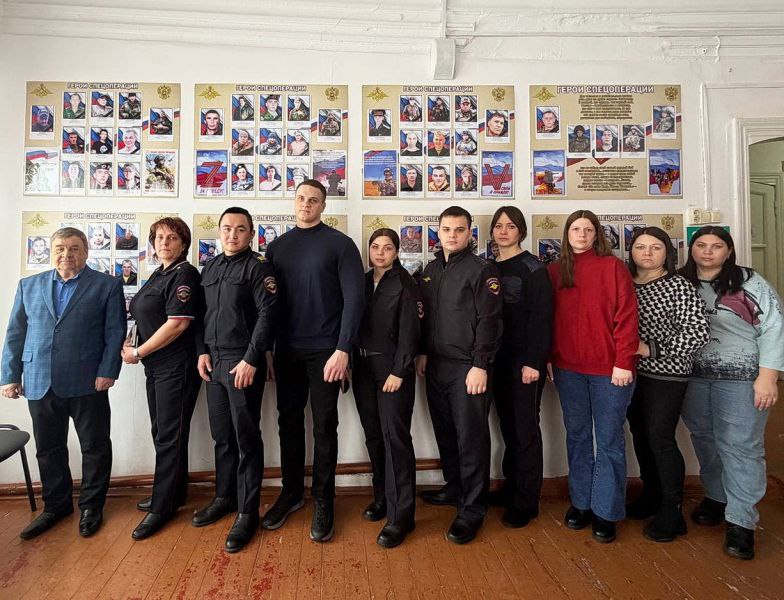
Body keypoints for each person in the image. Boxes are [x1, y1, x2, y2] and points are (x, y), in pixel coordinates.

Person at [1, 227, 126, 540]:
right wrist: (10, 376)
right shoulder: (29, 285)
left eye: (74, 248)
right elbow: (15, 333)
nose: (66, 254)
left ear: (85, 251)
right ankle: (56, 506)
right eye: (60, 248)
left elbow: (114, 333)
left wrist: (108, 371)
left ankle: (91, 507)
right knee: (48, 448)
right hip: (39, 379)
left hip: (89, 380)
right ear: (51, 251)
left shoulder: (107, 285)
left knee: (95, 446)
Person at [262, 179, 364, 543]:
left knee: (324, 426)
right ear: (294, 202)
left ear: (323, 206)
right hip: (287, 350)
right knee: (288, 423)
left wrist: (343, 349)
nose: (306, 204)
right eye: (301, 198)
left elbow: (355, 300)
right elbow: (268, 305)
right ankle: (291, 493)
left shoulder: (341, 244)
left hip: (327, 352)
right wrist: (269, 348)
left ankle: (323, 499)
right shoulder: (277, 247)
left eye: (314, 200)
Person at [679, 226, 784, 560]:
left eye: (717, 246)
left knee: (740, 445)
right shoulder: (682, 282)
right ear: (691, 249)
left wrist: (768, 376)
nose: (708, 251)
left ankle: (741, 520)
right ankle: (717, 496)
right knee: (704, 437)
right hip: (694, 377)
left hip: (742, 377)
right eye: (701, 245)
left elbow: (774, 327)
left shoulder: (750, 283)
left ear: (728, 251)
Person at [547, 210, 639, 544]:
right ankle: (581, 502)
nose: (582, 234)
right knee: (578, 436)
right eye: (576, 229)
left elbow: (627, 316)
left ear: (597, 234)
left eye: (588, 229)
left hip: (610, 371)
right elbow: (548, 320)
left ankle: (606, 510)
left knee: (609, 439)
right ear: (567, 233)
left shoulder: (613, 267)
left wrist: (624, 361)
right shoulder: (555, 270)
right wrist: (549, 359)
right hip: (568, 369)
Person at [416, 206, 503, 544]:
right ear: (438, 232)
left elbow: (490, 320)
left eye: (459, 229)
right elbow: (426, 317)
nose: (452, 235)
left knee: (471, 438)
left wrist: (480, 364)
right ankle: (455, 488)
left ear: (470, 233)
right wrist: (424, 352)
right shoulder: (431, 269)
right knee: (446, 433)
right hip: (436, 365)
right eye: (446, 229)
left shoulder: (482, 270)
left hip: (468, 367)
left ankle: (473, 508)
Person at [195, 207, 278, 552]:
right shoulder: (210, 267)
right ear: (219, 232)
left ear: (251, 234)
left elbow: (268, 314)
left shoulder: (258, 267)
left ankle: (247, 512)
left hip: (241, 361)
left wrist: (251, 359)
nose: (232, 234)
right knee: (222, 436)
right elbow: (201, 314)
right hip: (213, 362)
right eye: (227, 228)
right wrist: (201, 351)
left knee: (246, 438)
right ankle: (224, 497)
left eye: (240, 229)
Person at [622, 226, 710, 542]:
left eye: (655, 247)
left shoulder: (678, 286)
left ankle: (673, 512)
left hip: (667, 374)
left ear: (667, 253)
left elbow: (699, 332)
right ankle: (651, 495)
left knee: (660, 437)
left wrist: (651, 348)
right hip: (631, 374)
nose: (647, 253)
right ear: (631, 251)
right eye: (640, 247)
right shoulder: (625, 283)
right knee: (641, 435)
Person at [122, 218, 204, 540]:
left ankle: (162, 507)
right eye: (159, 238)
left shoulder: (185, 274)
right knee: (165, 432)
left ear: (184, 243)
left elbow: (178, 324)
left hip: (176, 366)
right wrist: (133, 344)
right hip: (155, 366)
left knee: (169, 434)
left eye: (172, 238)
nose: (164, 243)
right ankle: (174, 493)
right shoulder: (160, 273)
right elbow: (146, 315)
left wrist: (138, 351)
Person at [352, 228, 421, 548]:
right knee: (374, 436)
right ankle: (382, 497)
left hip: (391, 369)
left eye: (388, 247)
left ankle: (401, 516)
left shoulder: (406, 283)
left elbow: (411, 332)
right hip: (362, 368)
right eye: (375, 247)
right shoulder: (362, 281)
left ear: (397, 252)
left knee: (396, 440)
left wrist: (399, 370)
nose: (380, 253)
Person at [488, 206, 553, 528]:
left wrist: (533, 362)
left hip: (523, 363)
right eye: (499, 226)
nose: (503, 231)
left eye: (510, 226)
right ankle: (511, 488)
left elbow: (542, 318)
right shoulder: (488, 267)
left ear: (521, 232)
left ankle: (526, 501)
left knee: (525, 429)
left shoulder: (533, 268)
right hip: (495, 361)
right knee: (507, 427)